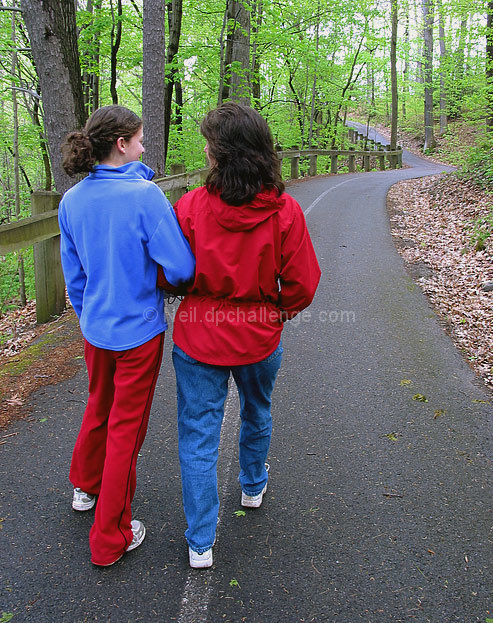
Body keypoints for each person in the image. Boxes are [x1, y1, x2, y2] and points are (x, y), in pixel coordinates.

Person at [168, 102, 321, 568]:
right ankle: (252, 486)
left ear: (222, 153)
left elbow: (171, 274)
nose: (206, 153)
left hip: (198, 339)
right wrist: (274, 315)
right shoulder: (284, 210)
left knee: (198, 435)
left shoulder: (191, 206)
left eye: (210, 145)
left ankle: (200, 542)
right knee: (257, 410)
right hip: (258, 338)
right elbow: (303, 284)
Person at [58, 105, 195, 567]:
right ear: (121, 144)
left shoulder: (72, 200)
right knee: (126, 429)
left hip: (95, 329)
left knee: (99, 404)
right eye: (138, 139)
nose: (143, 146)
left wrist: (88, 314)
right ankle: (110, 537)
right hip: (138, 333)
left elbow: (74, 278)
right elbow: (181, 267)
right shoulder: (145, 197)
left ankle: (85, 486)